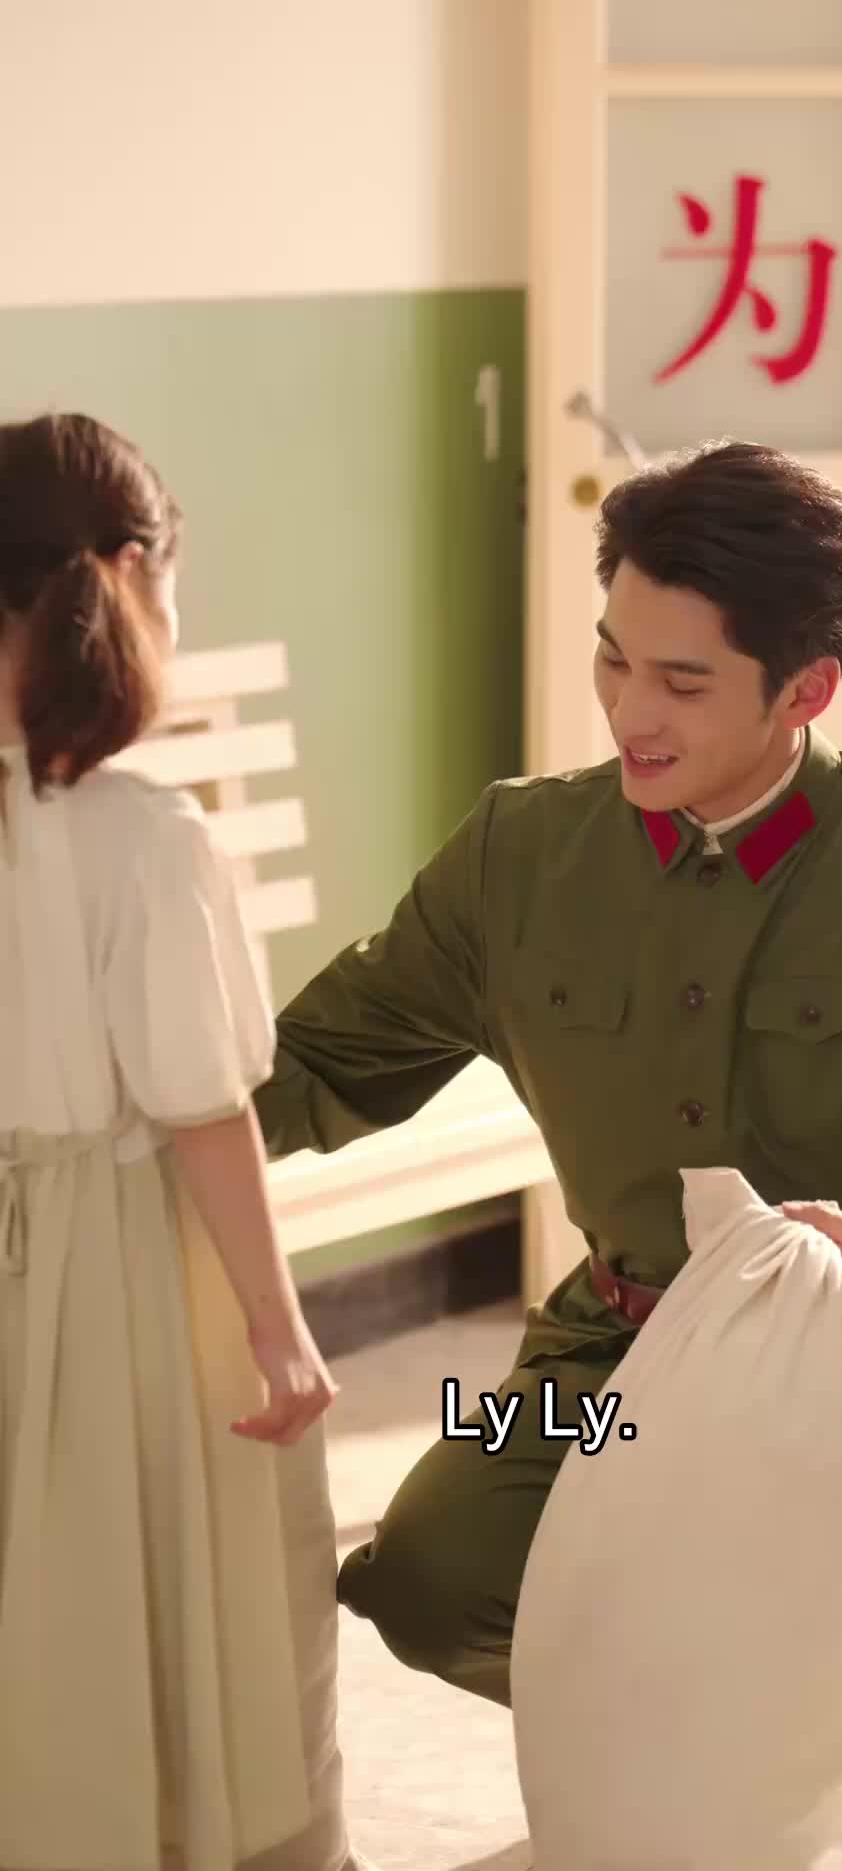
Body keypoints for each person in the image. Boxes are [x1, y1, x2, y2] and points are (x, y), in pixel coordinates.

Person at [254, 440, 842, 1866]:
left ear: (806, 690)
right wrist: (107, 1124)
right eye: (613, 659)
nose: (631, 713)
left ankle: (813, 1779)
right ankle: (719, 1764)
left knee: (820, 1629)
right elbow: (321, 1062)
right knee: (427, 1578)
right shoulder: (519, 853)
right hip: (610, 1371)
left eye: (683, 683)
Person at [0, 413, 371, 1871]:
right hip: (116, 1272)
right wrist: (279, 1329)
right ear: (139, 579)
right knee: (162, 1573)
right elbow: (202, 1107)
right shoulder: (149, 841)